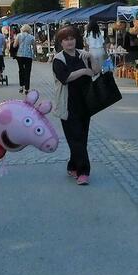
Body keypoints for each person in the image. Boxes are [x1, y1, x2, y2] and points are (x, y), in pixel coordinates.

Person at [52, 25, 101, 185]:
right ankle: (83, 172)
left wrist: (92, 57)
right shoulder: (58, 59)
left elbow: (97, 71)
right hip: (68, 104)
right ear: (60, 42)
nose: (69, 42)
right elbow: (64, 78)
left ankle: (73, 165)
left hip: (85, 103)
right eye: (65, 39)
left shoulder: (83, 55)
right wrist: (83, 72)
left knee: (82, 138)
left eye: (72, 38)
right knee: (75, 139)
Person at [15, 24, 36, 94]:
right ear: (29, 30)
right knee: (27, 71)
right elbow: (34, 47)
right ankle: (27, 88)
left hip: (20, 55)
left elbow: (15, 45)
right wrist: (35, 54)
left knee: (21, 70)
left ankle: (21, 87)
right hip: (28, 55)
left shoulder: (18, 35)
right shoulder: (32, 37)